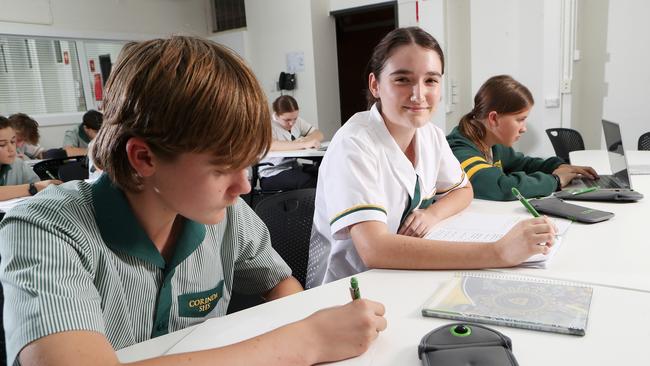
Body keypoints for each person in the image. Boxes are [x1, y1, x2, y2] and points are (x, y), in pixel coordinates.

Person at [0, 37, 386, 366]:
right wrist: (306, 341)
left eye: (247, 165)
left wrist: (307, 322)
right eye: (222, 168)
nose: (243, 187)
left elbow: (280, 283)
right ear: (144, 158)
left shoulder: (226, 214)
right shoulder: (45, 228)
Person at [307, 27, 557, 288]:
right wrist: (498, 252)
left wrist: (432, 215)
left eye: (431, 80)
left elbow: (463, 190)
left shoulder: (430, 135)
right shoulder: (354, 144)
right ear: (375, 85)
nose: (418, 95)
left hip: (405, 274)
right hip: (350, 290)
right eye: (402, 79)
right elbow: (375, 249)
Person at [446, 75, 598, 201]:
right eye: (520, 119)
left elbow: (523, 163)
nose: (524, 128)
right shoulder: (460, 150)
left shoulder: (492, 142)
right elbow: (501, 187)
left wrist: (558, 166)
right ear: (494, 119)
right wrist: (556, 180)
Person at [258, 95, 324, 191]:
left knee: (324, 174)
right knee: (309, 181)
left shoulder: (295, 121)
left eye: (295, 119)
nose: (292, 123)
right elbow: (272, 144)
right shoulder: (266, 124)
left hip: (293, 167)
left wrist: (307, 139)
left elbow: (319, 134)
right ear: (276, 115)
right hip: (272, 173)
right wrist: (303, 144)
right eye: (287, 120)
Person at [0, 116, 61, 200]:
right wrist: (32, 188)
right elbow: (37, 187)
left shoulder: (19, 164)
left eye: (13, 141)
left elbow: (41, 189)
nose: (11, 149)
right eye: (2, 144)